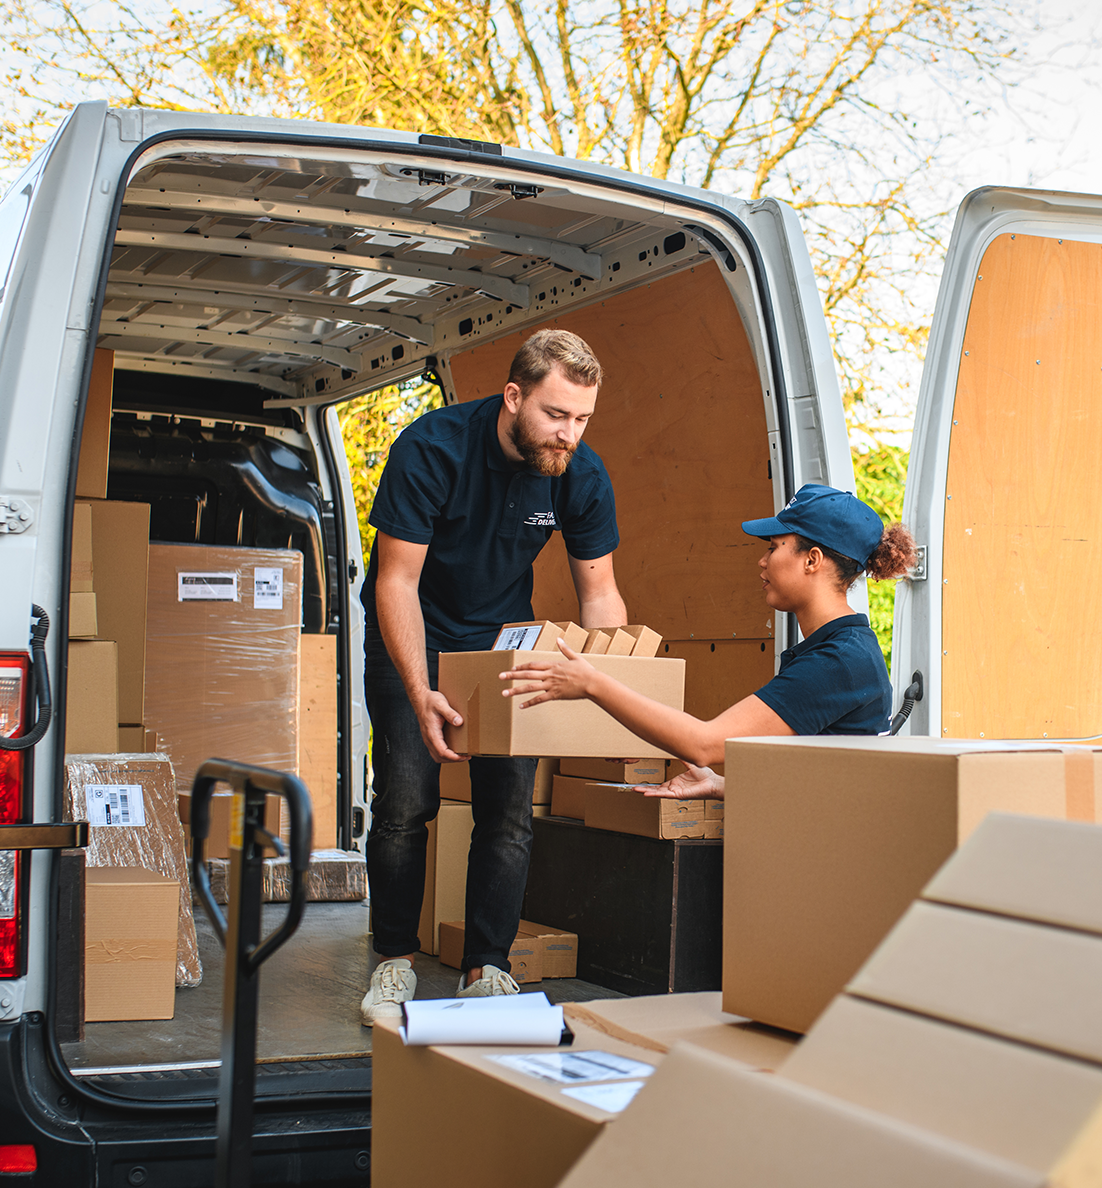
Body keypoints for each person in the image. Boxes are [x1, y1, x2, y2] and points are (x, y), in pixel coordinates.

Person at [358, 329, 626, 1023]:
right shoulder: (431, 449)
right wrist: (419, 690)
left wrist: (609, 683)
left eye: (582, 418)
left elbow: (600, 596)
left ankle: (488, 967)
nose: (569, 434)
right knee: (405, 800)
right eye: (556, 414)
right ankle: (392, 961)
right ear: (514, 396)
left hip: (505, 641)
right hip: (414, 627)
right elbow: (397, 582)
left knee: (507, 811)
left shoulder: (579, 473)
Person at [496, 483, 915, 778]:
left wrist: (593, 683)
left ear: (812, 559)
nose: (762, 562)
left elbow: (705, 744)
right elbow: (820, 774)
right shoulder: (837, 649)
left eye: (774, 547)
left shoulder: (837, 663)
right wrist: (720, 787)